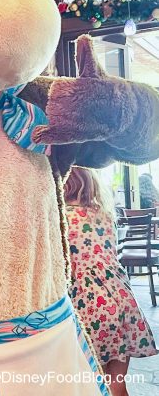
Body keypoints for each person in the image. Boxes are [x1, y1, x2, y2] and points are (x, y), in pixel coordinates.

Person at [64, 166, 157, 396]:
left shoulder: (63, 218)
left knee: (89, 387)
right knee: (117, 387)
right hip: (121, 301)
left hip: (88, 307)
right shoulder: (104, 214)